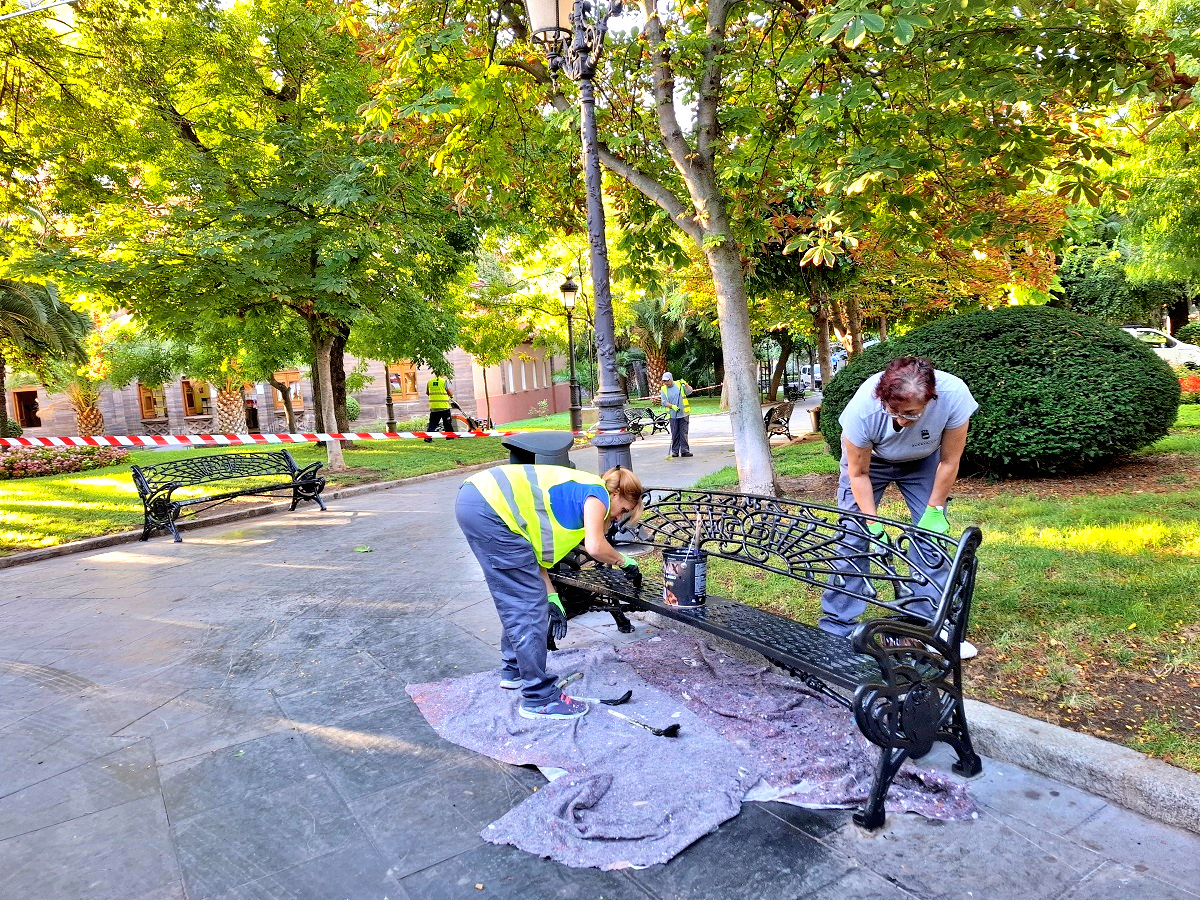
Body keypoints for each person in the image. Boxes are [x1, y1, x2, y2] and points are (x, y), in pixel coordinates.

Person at [819, 356, 980, 659]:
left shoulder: (955, 395)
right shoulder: (862, 412)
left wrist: (934, 511)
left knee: (931, 540)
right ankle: (837, 627)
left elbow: (950, 461)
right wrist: (872, 523)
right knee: (852, 538)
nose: (901, 421)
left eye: (911, 414)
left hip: (924, 461)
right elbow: (858, 473)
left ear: (931, 399)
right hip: (872, 464)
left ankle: (931, 625)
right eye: (893, 411)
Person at [455, 464, 645, 720]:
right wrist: (626, 562)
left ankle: (514, 671)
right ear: (618, 493)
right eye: (623, 510)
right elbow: (596, 547)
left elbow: (534, 559)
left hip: (478, 502)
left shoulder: (576, 495)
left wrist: (552, 596)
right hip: (489, 508)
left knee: (520, 597)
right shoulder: (598, 494)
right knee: (528, 605)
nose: (617, 518)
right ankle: (539, 698)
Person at [660, 372, 694, 459]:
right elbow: (663, 402)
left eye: (667, 381)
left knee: (683, 433)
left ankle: (685, 451)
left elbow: (690, 391)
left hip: (684, 414)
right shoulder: (663, 389)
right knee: (675, 433)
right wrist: (672, 406)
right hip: (673, 415)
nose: (666, 383)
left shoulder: (679, 384)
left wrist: (686, 384)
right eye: (664, 381)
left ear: (671, 379)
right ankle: (675, 451)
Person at [424, 373, 453, 443]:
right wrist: (451, 396)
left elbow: (428, 393)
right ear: (442, 373)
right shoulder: (444, 381)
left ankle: (428, 437)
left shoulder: (429, 382)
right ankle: (450, 436)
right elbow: (450, 393)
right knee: (447, 423)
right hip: (444, 407)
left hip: (434, 407)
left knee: (432, 423)